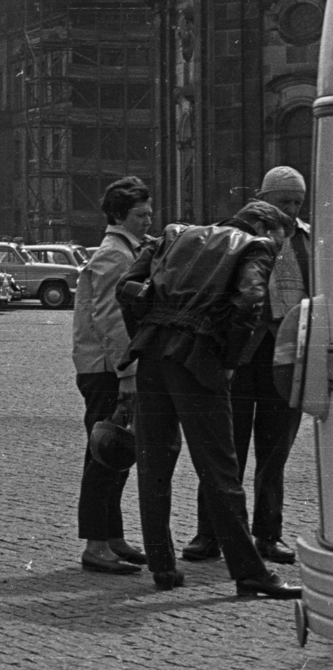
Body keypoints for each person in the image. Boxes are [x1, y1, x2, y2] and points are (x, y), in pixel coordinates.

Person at [120, 200, 300, 597]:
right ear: (267, 228)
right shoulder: (256, 246)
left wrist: (146, 328)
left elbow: (127, 287)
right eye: (278, 239)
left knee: (154, 463)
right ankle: (250, 572)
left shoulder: (174, 233)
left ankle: (163, 568)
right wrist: (231, 359)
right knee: (220, 468)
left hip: (151, 351)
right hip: (199, 358)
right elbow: (251, 299)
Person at [183, 167, 310, 565]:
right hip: (237, 358)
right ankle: (211, 534)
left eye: (296, 202)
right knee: (225, 450)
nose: (289, 209)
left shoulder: (308, 239)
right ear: (262, 197)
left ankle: (268, 535)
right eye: (282, 201)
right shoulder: (232, 234)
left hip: (287, 358)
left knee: (274, 454)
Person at [72, 176, 153, 574]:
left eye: (149, 212)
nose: (148, 219)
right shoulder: (114, 256)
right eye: (140, 214)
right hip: (106, 370)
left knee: (118, 451)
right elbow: (110, 318)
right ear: (120, 215)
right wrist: (127, 373)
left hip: (110, 368)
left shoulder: (127, 250)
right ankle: (96, 544)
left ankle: (113, 536)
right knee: (103, 454)